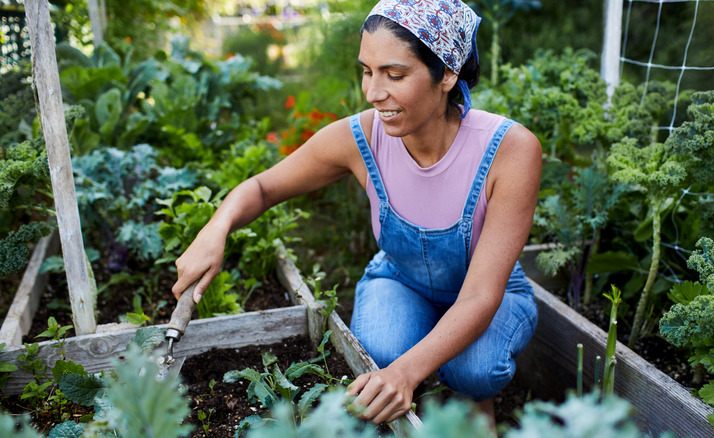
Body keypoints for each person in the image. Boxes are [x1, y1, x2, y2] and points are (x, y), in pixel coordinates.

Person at [172, 0, 541, 427]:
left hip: (490, 295)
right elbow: (263, 186)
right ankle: (414, 410)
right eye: (367, 71)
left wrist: (405, 373)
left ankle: (469, 405)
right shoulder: (362, 137)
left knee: (474, 370)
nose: (372, 92)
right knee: (377, 355)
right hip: (402, 281)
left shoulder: (508, 150)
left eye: (395, 74)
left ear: (447, 74)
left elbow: (480, 296)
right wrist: (216, 228)